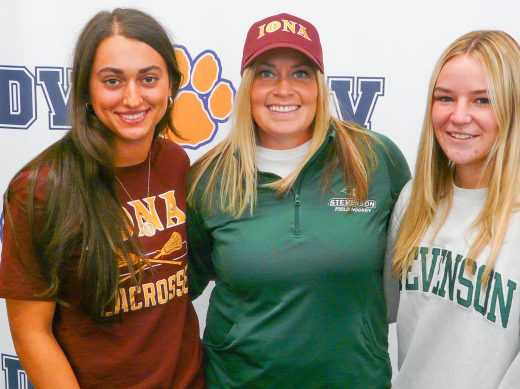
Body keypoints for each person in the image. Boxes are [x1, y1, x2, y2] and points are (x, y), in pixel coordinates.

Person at [187, 12, 411, 388]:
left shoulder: (375, 158)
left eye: (301, 73)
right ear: (247, 87)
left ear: (320, 85)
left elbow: (422, 265)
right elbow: (173, 293)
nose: (284, 88)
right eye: (266, 73)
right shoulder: (209, 177)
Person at [0, 8, 204, 388]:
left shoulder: (175, 162)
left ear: (171, 85)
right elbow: (31, 332)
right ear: (86, 90)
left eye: (149, 79)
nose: (132, 97)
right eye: (113, 80)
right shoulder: (41, 188)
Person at [385, 30, 520, 388]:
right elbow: (379, 310)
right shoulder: (415, 200)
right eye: (445, 98)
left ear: (514, 107)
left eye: (482, 100)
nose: (459, 116)